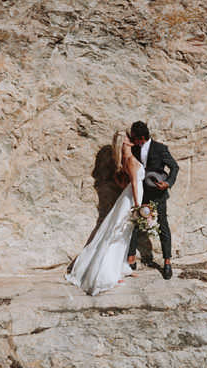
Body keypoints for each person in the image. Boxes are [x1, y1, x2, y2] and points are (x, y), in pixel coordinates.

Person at [66, 131, 143, 295]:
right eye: (130, 138)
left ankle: (119, 268)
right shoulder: (130, 160)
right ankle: (106, 274)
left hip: (127, 198)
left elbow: (127, 184)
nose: (132, 139)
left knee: (123, 234)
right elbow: (135, 184)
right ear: (126, 143)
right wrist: (139, 206)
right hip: (131, 200)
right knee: (118, 234)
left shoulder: (125, 160)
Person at [126, 120, 179, 279]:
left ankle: (167, 262)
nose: (133, 141)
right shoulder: (134, 148)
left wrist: (168, 183)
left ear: (142, 137)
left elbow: (175, 167)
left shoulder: (160, 148)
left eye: (134, 138)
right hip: (141, 193)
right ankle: (131, 258)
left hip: (158, 194)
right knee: (135, 224)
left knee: (163, 226)